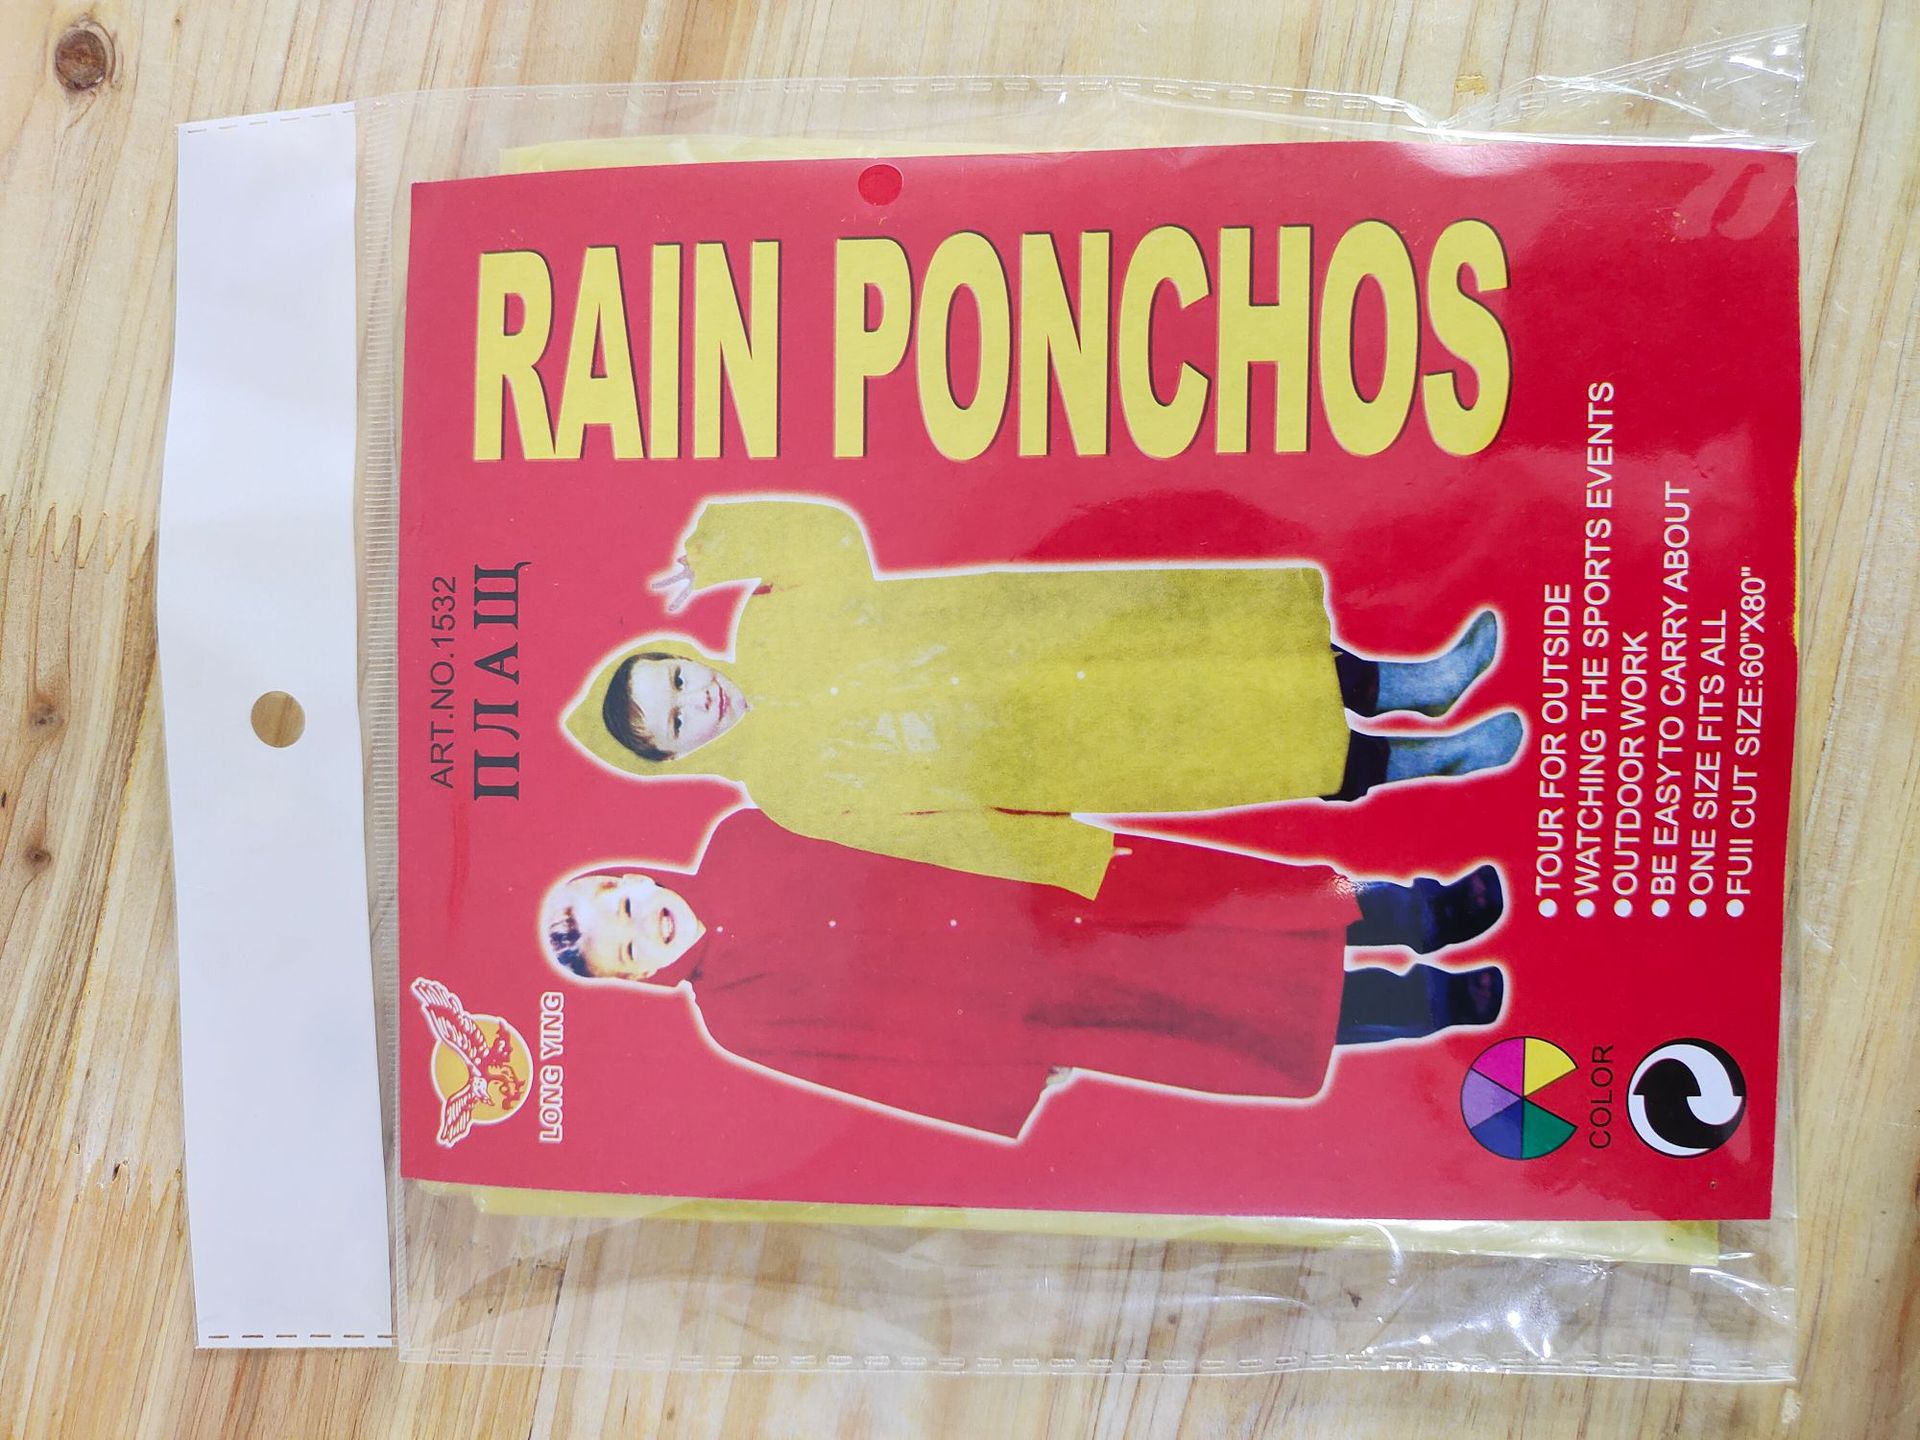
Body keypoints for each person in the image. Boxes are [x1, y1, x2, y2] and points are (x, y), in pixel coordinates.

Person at [564, 496, 1522, 898]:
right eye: (675, 722)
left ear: (681, 654)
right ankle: (1424, 759)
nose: (697, 701)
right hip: (1051, 746)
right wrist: (1064, 856)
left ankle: (1416, 684)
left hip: (1051, 633)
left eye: (676, 679)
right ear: (677, 758)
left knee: (1225, 650)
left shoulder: (771, 625)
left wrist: (722, 547)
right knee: (1240, 740)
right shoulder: (787, 790)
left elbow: (828, 541)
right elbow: (923, 832)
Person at [538, 808, 1506, 1139]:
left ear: (633, 874)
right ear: (637, 979)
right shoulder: (734, 1019)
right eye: (628, 946)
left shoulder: (741, 834)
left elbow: (883, 809)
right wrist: (1006, 1075)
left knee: (1233, 902)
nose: (643, 920)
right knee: (1216, 1010)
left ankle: (1422, 911)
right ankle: (1429, 1001)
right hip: (1025, 999)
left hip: (1022, 886)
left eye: (623, 898)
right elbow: (864, 1066)